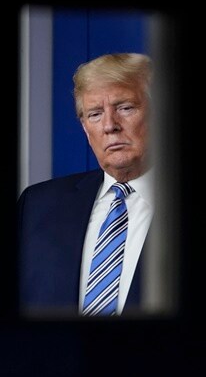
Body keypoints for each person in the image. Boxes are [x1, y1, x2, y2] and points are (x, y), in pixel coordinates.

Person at [18, 52, 154, 316]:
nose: (109, 126)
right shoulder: (37, 206)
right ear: (83, 127)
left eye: (125, 108)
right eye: (94, 114)